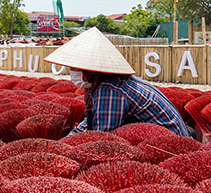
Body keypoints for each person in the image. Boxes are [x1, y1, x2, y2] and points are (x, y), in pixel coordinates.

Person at [44, 27, 191, 137]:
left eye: (74, 68)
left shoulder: (110, 90)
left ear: (90, 69)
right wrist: (68, 140)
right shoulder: (111, 82)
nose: (72, 73)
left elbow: (103, 136)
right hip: (166, 136)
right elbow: (92, 120)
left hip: (167, 143)